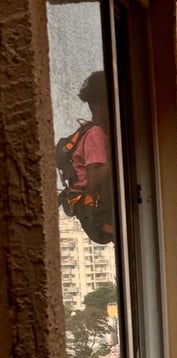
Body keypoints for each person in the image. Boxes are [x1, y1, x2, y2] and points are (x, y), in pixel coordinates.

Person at [60, 70, 114, 244]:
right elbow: (96, 178)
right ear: (98, 105)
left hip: (93, 213)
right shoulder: (96, 134)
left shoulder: (92, 132)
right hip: (98, 214)